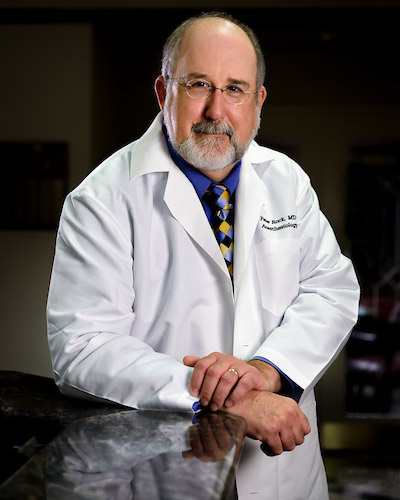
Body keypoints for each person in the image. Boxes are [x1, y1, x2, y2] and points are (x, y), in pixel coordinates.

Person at [47, 11, 360, 500]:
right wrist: (220, 396)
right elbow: (83, 346)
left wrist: (266, 372)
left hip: (284, 469)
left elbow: (330, 289)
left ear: (258, 101)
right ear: (162, 93)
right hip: (168, 465)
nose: (217, 109)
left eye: (235, 89)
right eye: (198, 85)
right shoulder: (101, 199)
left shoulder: (287, 181)